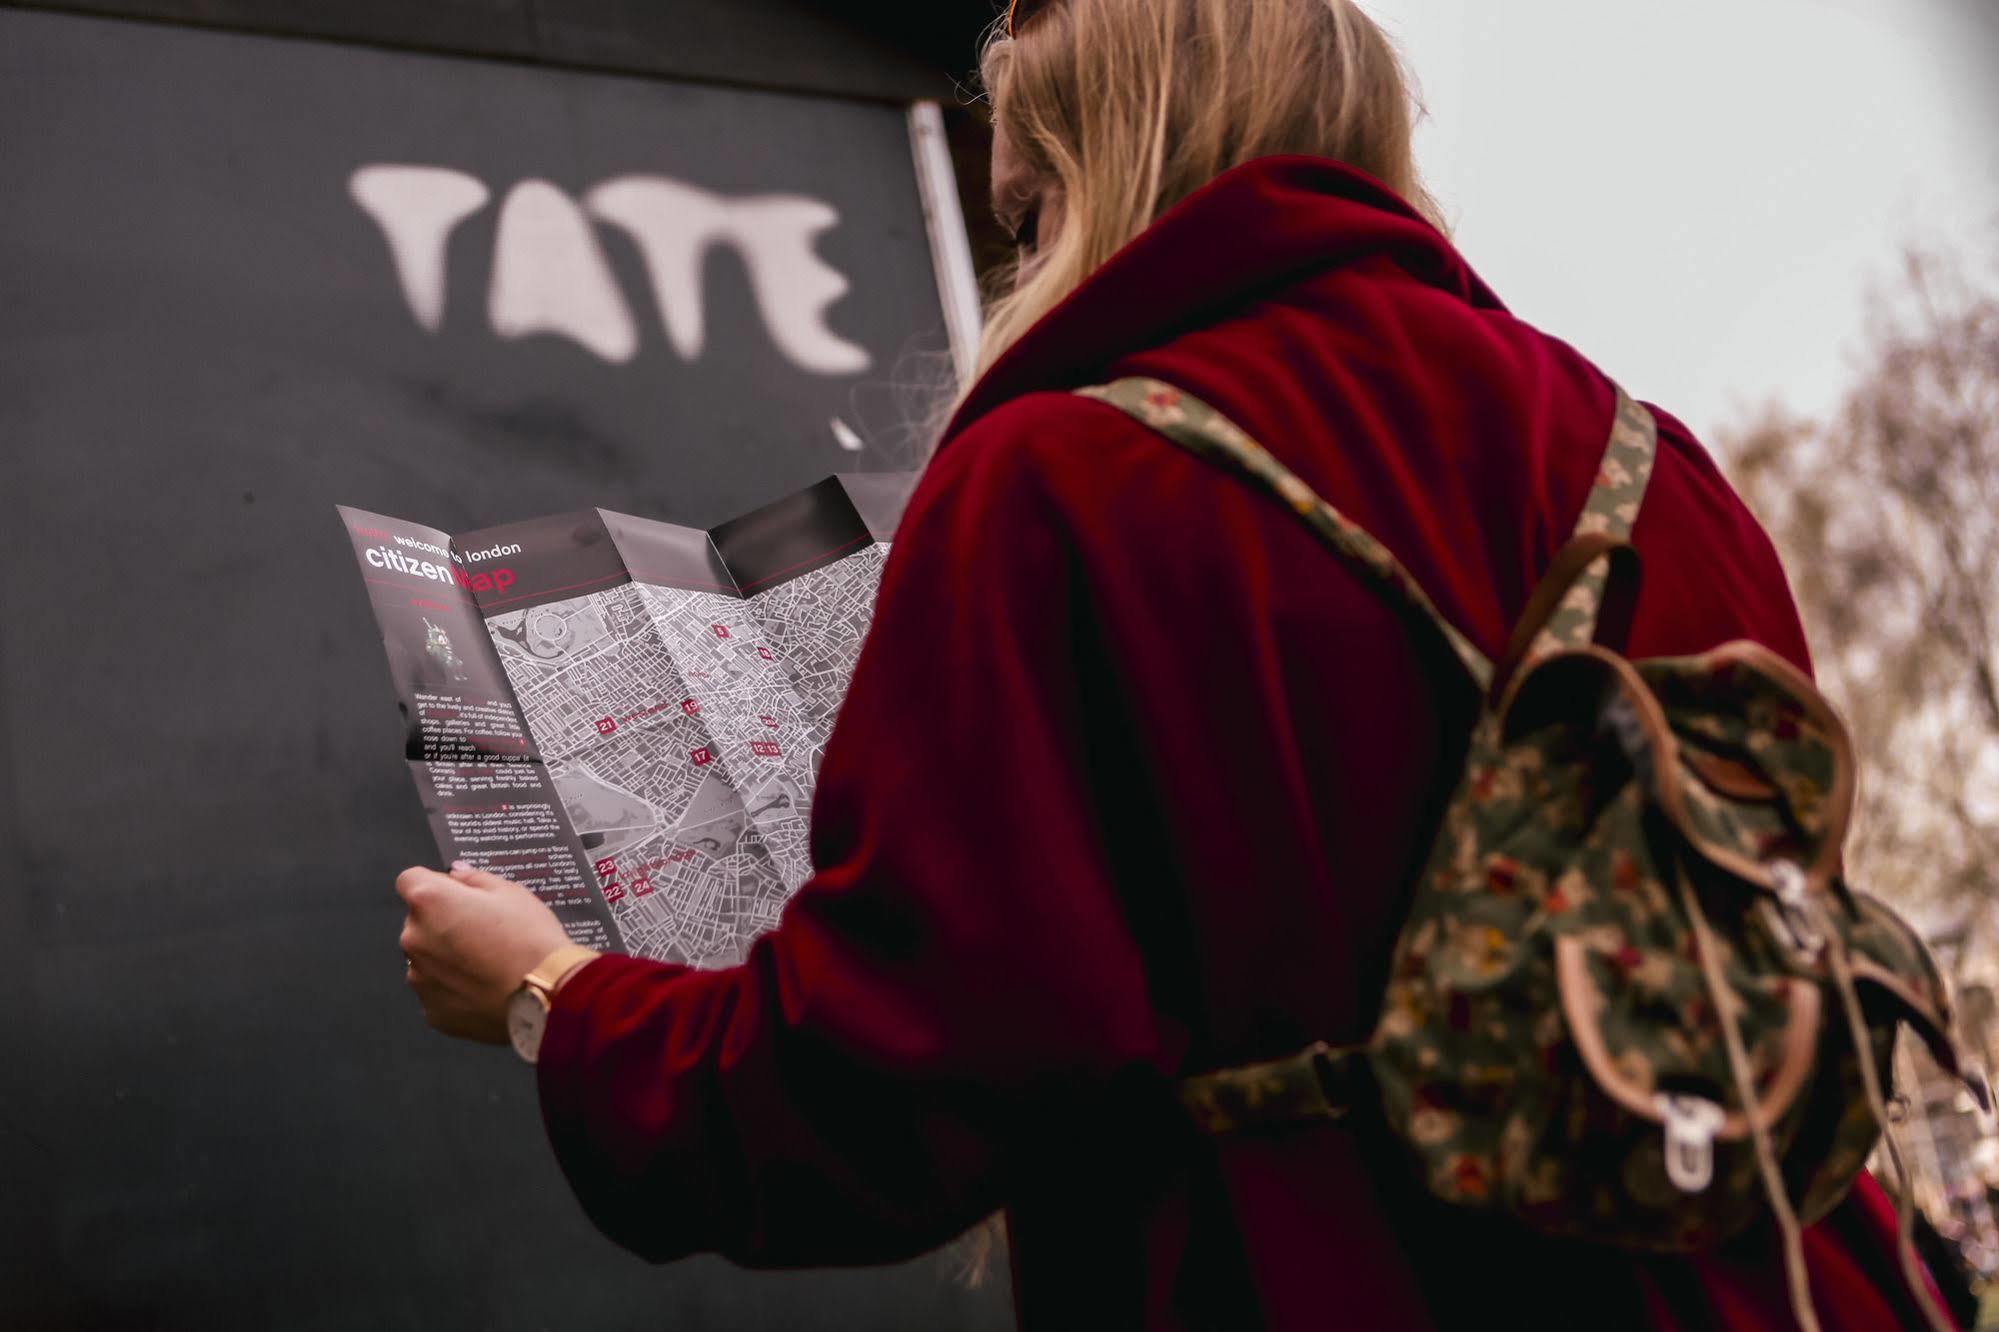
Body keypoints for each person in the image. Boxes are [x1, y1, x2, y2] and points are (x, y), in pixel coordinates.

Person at [393, 1, 1949, 1326]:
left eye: (1029, 212)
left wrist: (552, 993)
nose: (1023, 270)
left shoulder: (1059, 485)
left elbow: (888, 1088)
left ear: (1108, 167)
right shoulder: (1653, 459)